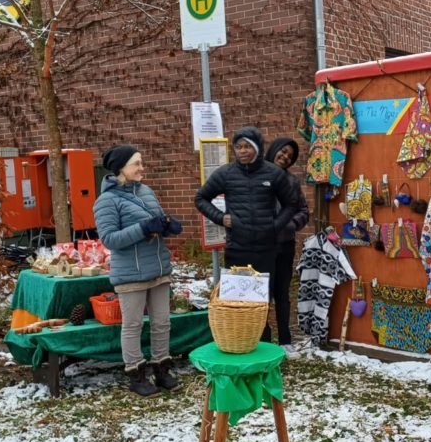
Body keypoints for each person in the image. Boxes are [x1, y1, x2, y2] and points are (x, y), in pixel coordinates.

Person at [94, 144, 182, 396]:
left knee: (162, 322)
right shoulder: (107, 201)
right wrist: (144, 228)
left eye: (141, 163)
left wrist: (166, 225)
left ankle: (162, 368)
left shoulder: (146, 191)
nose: (142, 168)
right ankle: (136, 373)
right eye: (137, 163)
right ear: (121, 168)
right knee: (132, 325)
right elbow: (109, 239)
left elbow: (156, 219)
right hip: (131, 272)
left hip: (158, 267)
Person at [195, 126, 300, 277]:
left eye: (247, 146)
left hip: (266, 249)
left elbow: (291, 203)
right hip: (236, 248)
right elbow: (200, 198)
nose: (242, 151)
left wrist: (274, 226)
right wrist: (220, 217)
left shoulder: (274, 173)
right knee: (237, 297)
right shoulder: (225, 173)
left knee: (263, 297)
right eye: (238, 147)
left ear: (257, 148)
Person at [264, 137, 310, 351]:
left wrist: (289, 224)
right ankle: (263, 340)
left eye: (289, 157)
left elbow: (303, 211)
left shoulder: (291, 182)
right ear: (273, 150)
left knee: (282, 293)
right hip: (260, 247)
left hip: (284, 245)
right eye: (282, 152)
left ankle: (285, 339)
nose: (284, 157)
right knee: (261, 294)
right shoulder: (255, 176)